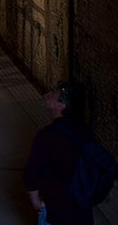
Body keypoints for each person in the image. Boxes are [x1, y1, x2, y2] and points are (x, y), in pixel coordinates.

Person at [24, 81, 95, 225]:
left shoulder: (47, 135)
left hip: (56, 213)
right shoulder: (87, 133)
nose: (47, 95)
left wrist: (35, 200)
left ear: (60, 106)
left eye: (53, 94)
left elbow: (31, 172)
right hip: (82, 212)